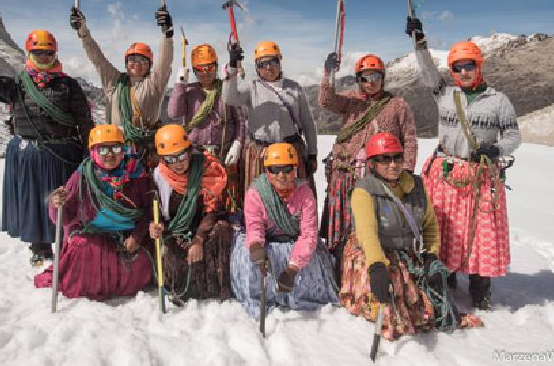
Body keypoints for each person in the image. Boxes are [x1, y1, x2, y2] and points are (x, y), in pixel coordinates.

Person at [407, 17, 521, 310]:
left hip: (480, 174)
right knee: (443, 227)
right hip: (445, 172)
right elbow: (428, 71)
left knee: (479, 230)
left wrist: (497, 149)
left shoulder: (498, 101)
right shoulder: (445, 94)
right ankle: (446, 276)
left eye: (468, 65)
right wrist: (419, 42)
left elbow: (513, 135)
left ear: (478, 65)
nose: (463, 72)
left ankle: (480, 285)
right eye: (458, 68)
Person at [339, 133, 483, 341]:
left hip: (406, 251)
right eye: (384, 159)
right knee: (390, 295)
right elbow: (367, 234)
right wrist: (377, 266)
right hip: (373, 252)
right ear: (372, 163)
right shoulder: (364, 191)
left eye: (397, 157)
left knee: (426, 302)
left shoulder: (416, 186)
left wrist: (432, 256)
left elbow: (430, 226)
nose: (393, 164)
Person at [0, 29, 94, 266]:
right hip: (29, 154)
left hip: (63, 154)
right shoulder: (18, 85)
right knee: (35, 201)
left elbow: (84, 121)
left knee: (63, 200)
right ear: (30, 52)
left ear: (54, 54)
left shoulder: (68, 86)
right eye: (38, 52)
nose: (43, 57)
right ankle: (39, 247)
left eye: (48, 53)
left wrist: (90, 151)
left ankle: (69, 243)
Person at [317, 52, 418, 277]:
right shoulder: (352, 100)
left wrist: (407, 170)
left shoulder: (397, 105)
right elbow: (326, 100)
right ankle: (341, 265)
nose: (370, 81)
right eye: (364, 77)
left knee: (372, 222)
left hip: (380, 174)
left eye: (374, 76)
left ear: (383, 77)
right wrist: (328, 74)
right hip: (347, 171)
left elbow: (409, 137)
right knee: (344, 221)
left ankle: (370, 265)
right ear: (358, 80)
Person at [34, 124, 154, 300]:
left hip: (128, 234)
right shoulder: (82, 176)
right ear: (93, 151)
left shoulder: (137, 175)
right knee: (85, 251)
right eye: (103, 149)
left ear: (124, 150)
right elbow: (65, 218)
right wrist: (56, 204)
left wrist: (137, 236)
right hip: (93, 233)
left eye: (116, 148)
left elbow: (150, 210)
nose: (110, 155)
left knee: (141, 260)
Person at [229, 143, 338, 318]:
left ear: (295, 169)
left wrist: (293, 269)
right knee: (249, 259)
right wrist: (256, 248)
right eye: (275, 170)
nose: (282, 175)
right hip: (266, 243)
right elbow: (254, 227)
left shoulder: (304, 193)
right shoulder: (256, 194)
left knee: (310, 262)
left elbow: (308, 234)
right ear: (267, 170)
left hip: (296, 246)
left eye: (287, 169)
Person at [70, 5, 174, 169]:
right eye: (132, 59)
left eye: (142, 60)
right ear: (126, 63)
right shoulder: (114, 81)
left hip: (145, 151)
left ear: (150, 65)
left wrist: (167, 35)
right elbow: (97, 58)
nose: (136, 64)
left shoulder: (154, 83)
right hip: (115, 150)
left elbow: (165, 61)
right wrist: (83, 32)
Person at [148, 124, 234, 303]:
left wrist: (199, 239)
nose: (178, 163)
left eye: (181, 156)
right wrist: (154, 226)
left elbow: (214, 209)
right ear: (163, 159)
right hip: (175, 230)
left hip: (203, 228)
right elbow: (152, 210)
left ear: (189, 152)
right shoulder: (158, 178)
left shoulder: (207, 170)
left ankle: (220, 289)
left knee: (223, 229)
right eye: (170, 159)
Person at [222, 41, 319, 199]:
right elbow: (229, 97)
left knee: (295, 201)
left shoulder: (294, 88)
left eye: (272, 61)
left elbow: (307, 123)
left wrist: (312, 154)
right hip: (260, 153)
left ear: (280, 61)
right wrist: (232, 66)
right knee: (261, 201)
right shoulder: (251, 87)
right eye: (262, 64)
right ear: (256, 67)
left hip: (291, 152)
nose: (268, 67)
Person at [166, 44, 247, 212]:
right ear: (194, 71)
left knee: (226, 200)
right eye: (200, 69)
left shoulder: (227, 90)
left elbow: (240, 120)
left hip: (224, 154)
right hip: (197, 155)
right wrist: (180, 83)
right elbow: (174, 112)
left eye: (210, 67)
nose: (206, 72)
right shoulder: (189, 92)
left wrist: (238, 143)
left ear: (216, 66)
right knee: (201, 199)